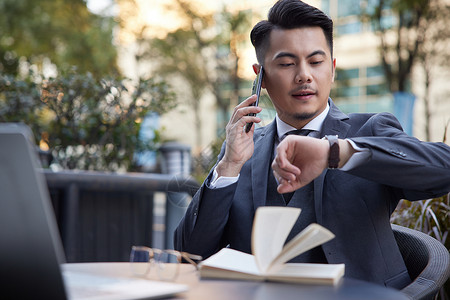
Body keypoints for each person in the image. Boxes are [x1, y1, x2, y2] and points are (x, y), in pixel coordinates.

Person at [174, 0, 450, 289]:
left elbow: (443, 169)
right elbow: (189, 253)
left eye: (316, 62)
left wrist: (337, 152)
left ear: (331, 69)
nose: (304, 75)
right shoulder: (241, 148)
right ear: (261, 77)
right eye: (286, 63)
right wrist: (229, 165)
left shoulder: (368, 129)